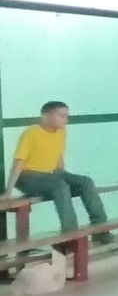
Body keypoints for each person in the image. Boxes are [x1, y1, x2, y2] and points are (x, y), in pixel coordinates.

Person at [4, 101, 110, 242]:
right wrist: (8, 191)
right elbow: (18, 163)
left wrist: (65, 175)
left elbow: (58, 155)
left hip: (51, 173)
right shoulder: (31, 133)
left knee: (86, 182)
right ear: (46, 116)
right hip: (27, 176)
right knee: (59, 185)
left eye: (67, 116)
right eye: (62, 116)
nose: (66, 120)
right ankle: (70, 234)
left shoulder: (61, 131)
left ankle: (100, 229)